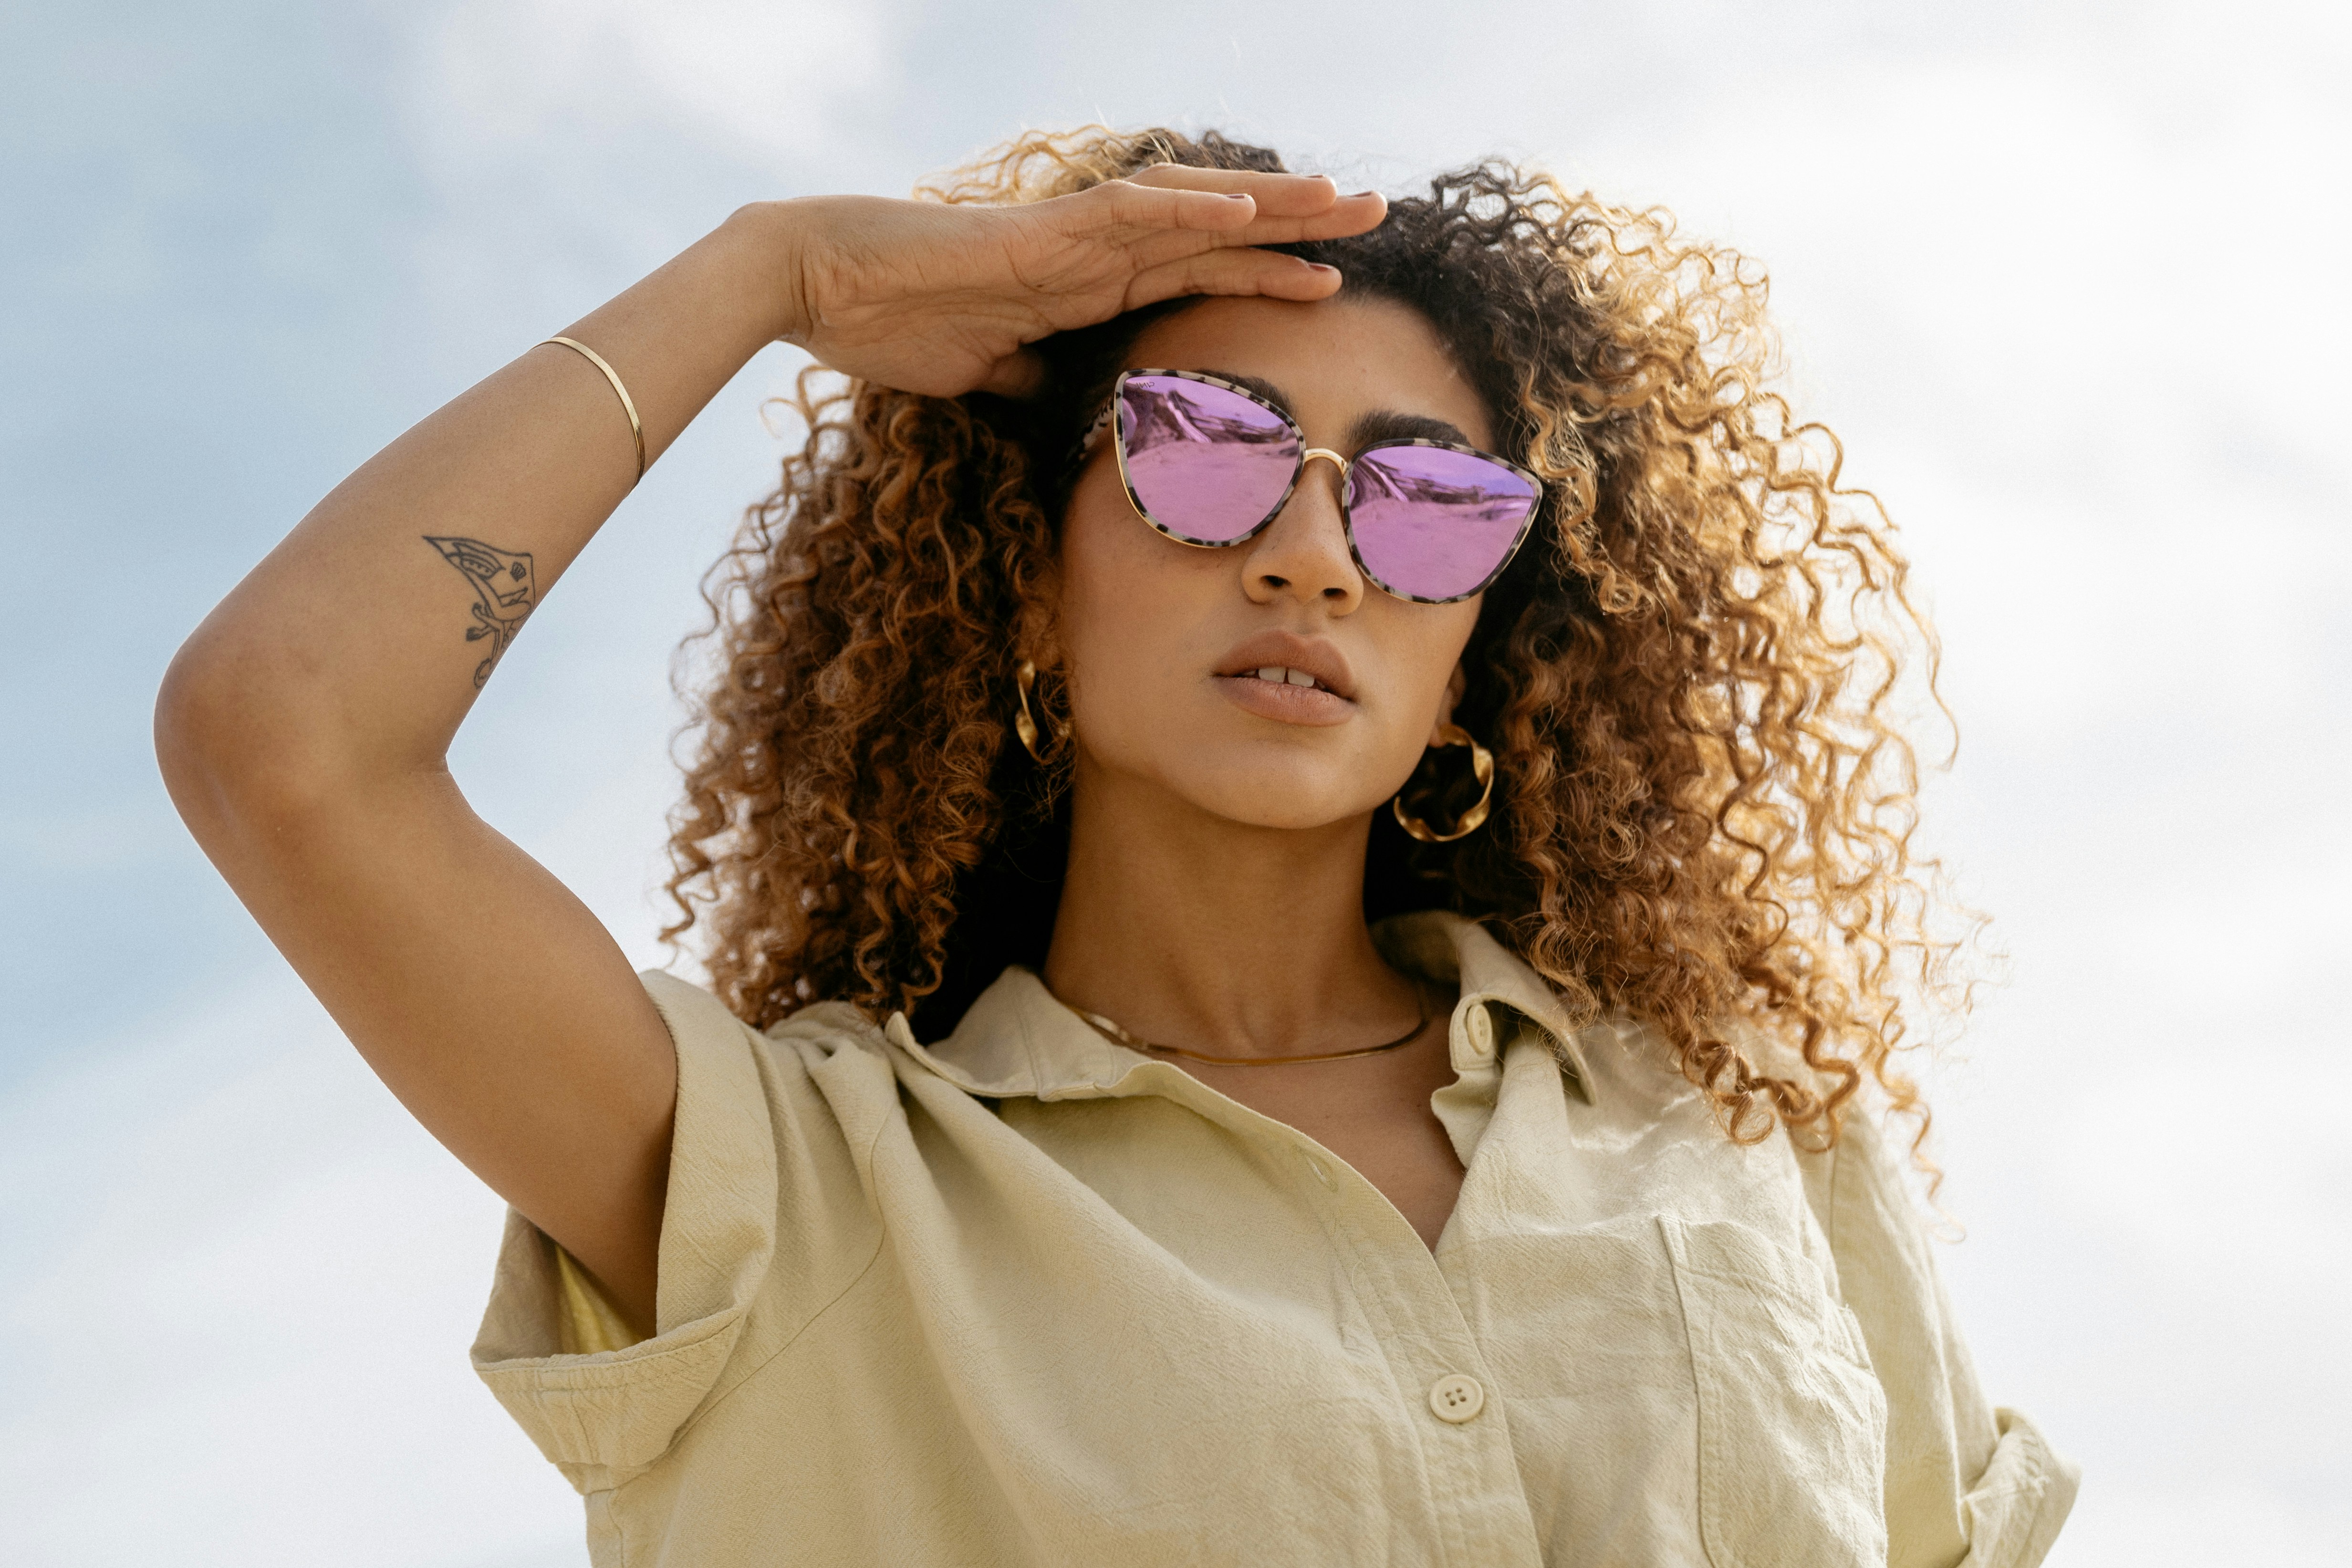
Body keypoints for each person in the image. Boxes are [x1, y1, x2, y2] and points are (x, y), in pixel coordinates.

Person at [155, 125, 2077, 1566]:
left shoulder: (1738, 1123)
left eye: (1427, 501)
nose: (1313, 547)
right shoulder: (793, 1196)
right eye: (1205, 448)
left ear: (1482, 642)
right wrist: (776, 277)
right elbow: (288, 739)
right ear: (1024, 593)